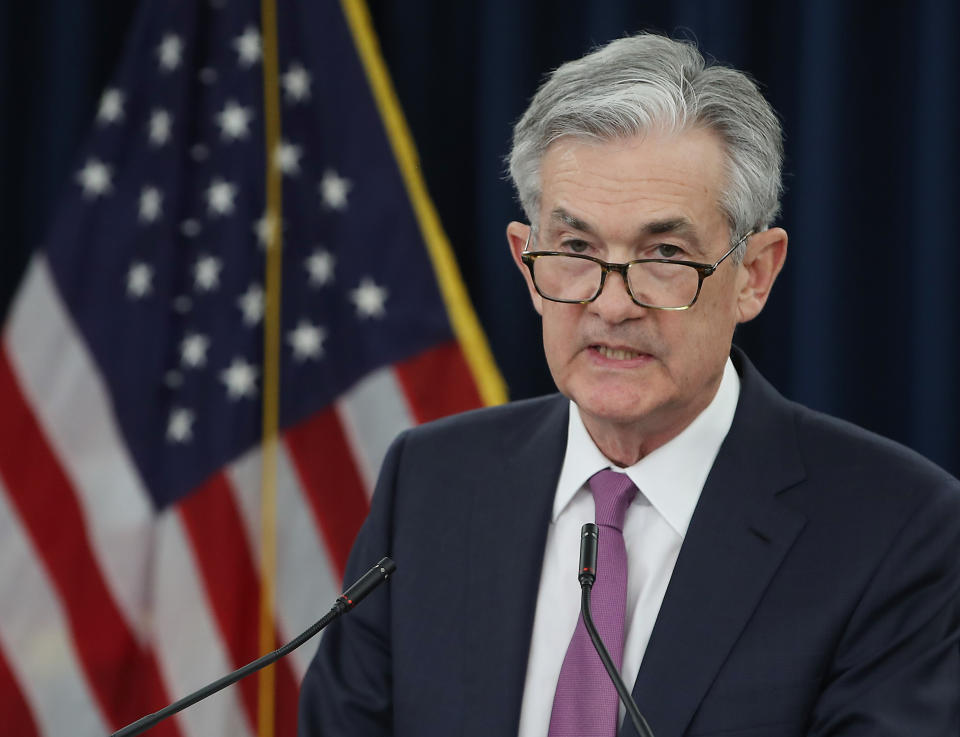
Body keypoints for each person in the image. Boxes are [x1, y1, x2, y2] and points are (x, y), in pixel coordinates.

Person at [298, 32, 960, 737]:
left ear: (754, 275)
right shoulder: (429, 483)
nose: (612, 303)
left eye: (664, 254)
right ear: (527, 263)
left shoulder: (897, 530)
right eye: (577, 249)